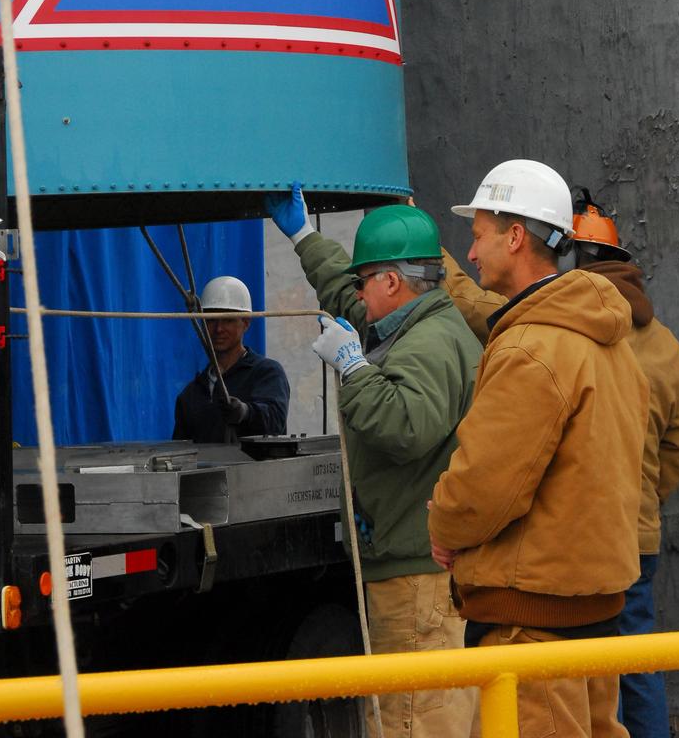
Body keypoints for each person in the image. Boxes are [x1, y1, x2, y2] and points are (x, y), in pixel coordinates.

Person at [428, 159, 649, 738]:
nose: (471, 255)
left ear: (516, 236)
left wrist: (444, 526)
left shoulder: (530, 348)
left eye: (477, 236)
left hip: (530, 627)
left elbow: (482, 485)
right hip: (594, 617)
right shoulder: (609, 342)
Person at [266, 184, 482, 738]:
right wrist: (302, 236)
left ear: (391, 280)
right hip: (410, 562)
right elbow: (344, 292)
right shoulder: (410, 322)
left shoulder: (431, 343)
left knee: (414, 720)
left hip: (415, 575)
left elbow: (405, 426)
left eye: (367, 281)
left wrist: (353, 368)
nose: (357, 295)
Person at [570, 189, 679, 738]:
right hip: (639, 532)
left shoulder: (573, 331)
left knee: (591, 668)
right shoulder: (663, 342)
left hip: (586, 536)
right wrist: (648, 491)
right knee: (638, 656)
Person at [172, 275, 290, 442]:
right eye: (211, 320)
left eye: (227, 320)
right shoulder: (191, 395)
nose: (219, 329)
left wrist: (246, 413)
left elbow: (275, 423)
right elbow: (181, 453)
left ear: (246, 323)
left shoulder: (266, 373)